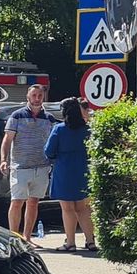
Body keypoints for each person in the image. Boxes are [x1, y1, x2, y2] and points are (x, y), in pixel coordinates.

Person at [0, 84, 56, 239]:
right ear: (28, 97)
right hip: (20, 167)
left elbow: (53, 142)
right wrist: (3, 160)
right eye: (34, 95)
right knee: (17, 202)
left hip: (42, 167)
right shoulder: (17, 116)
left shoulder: (49, 118)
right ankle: (14, 237)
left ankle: (27, 237)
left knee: (34, 202)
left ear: (43, 97)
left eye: (40, 95)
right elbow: (7, 139)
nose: (37, 99)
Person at [42, 99, 94, 252]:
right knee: (83, 208)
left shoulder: (59, 129)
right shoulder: (87, 130)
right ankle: (90, 241)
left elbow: (48, 151)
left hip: (64, 170)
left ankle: (70, 242)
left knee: (67, 209)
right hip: (83, 170)